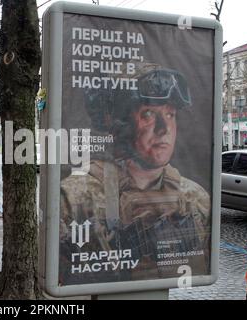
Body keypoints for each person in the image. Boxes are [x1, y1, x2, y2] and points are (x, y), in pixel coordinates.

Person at [59, 67, 211, 284]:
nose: (164, 128)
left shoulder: (195, 198)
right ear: (118, 122)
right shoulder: (74, 197)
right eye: (148, 114)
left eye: (170, 115)